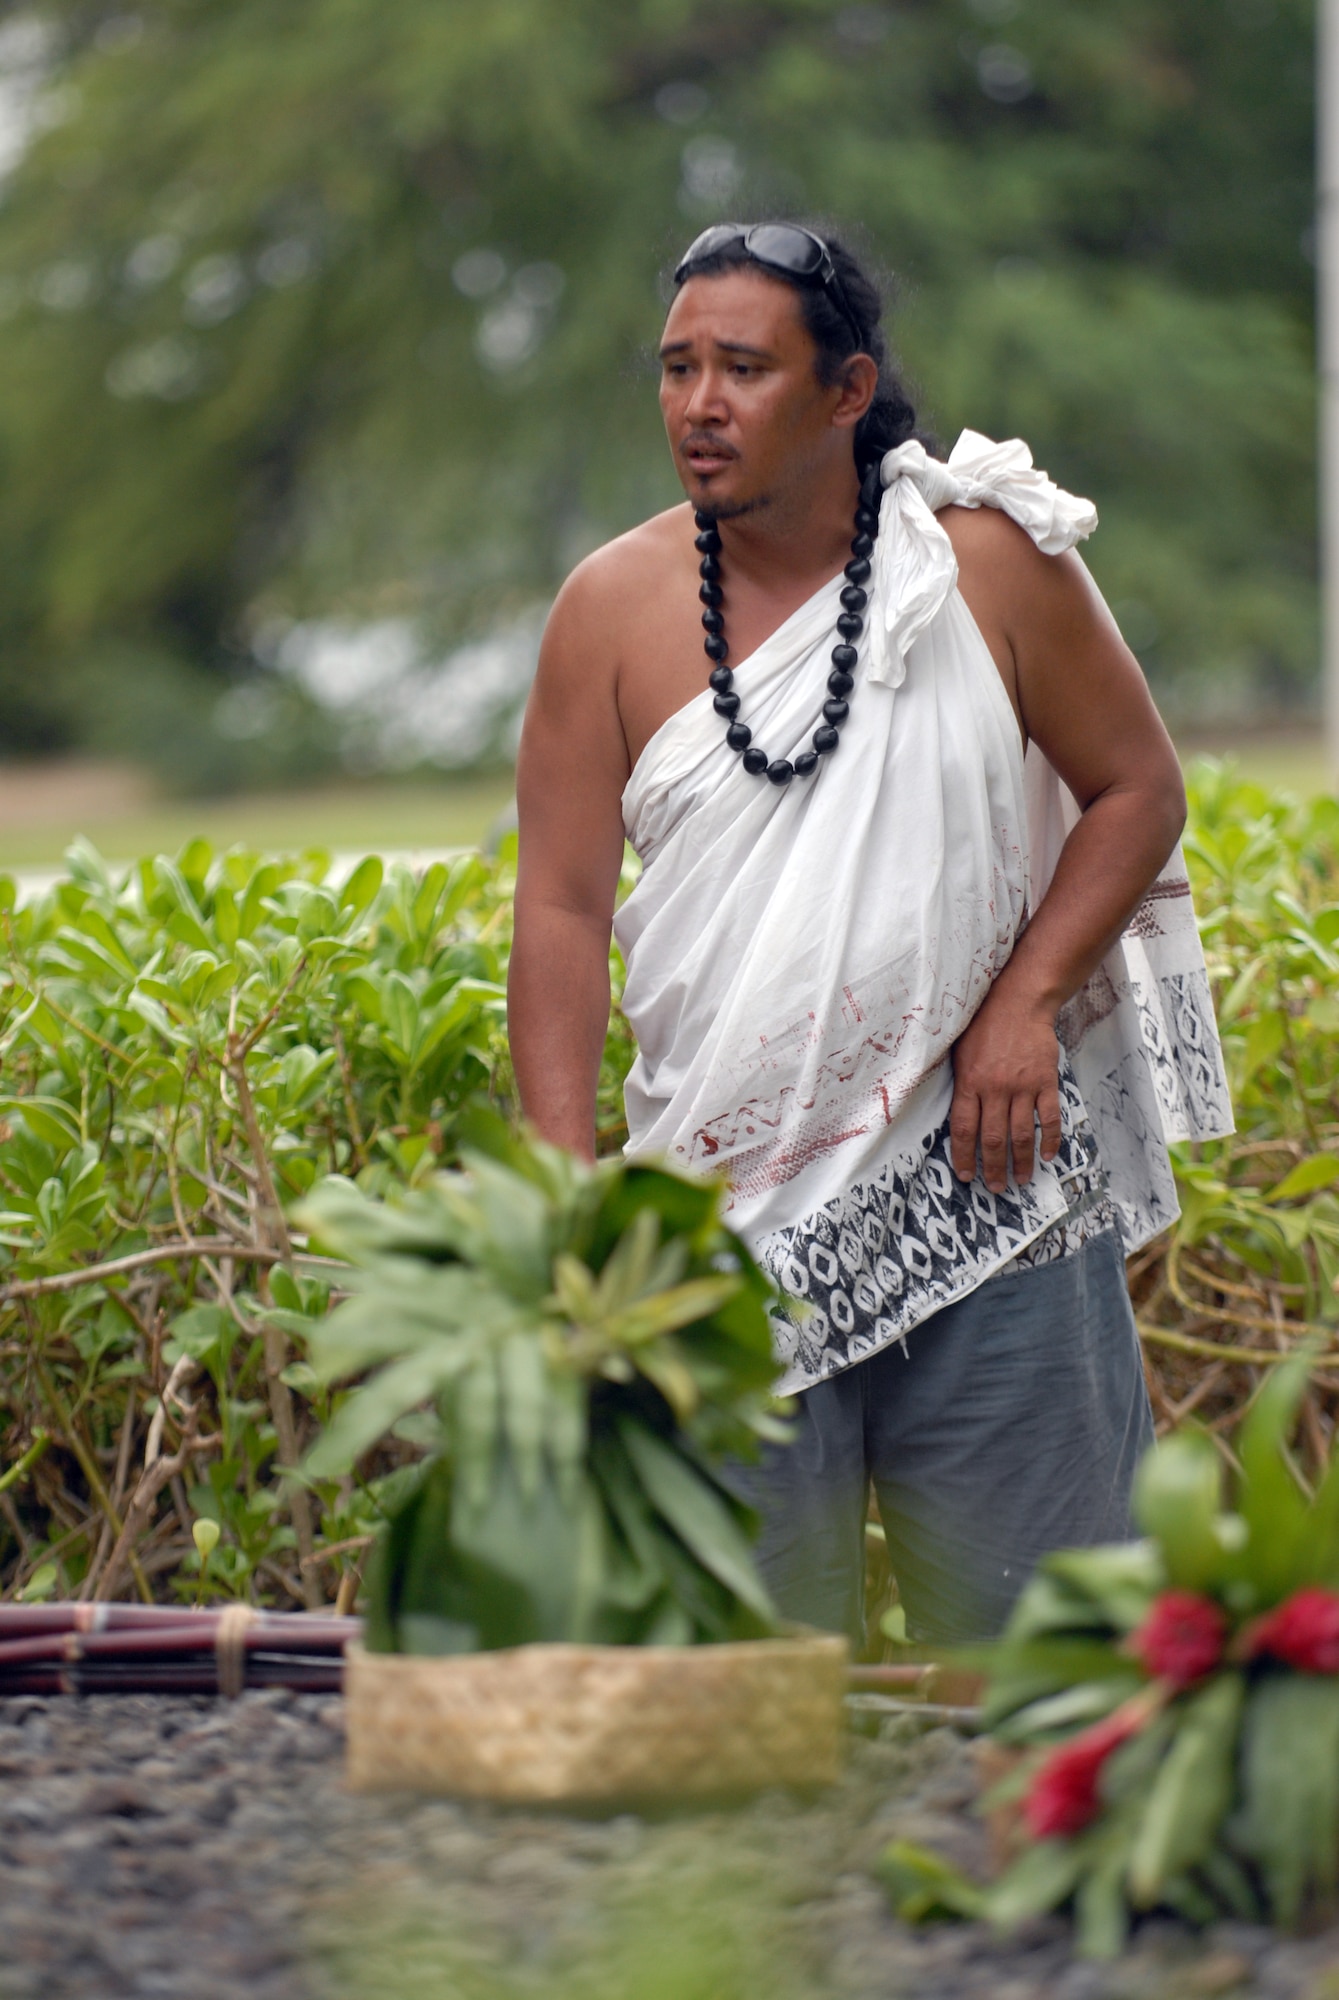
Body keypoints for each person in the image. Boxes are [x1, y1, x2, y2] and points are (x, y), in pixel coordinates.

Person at [507, 222, 1232, 1644]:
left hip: (991, 1196)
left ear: (846, 392)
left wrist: (1027, 1005)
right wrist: (562, 1190)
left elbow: (1139, 790)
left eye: (741, 369)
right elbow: (561, 907)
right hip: (714, 1235)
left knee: (1044, 1675)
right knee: (739, 1720)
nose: (698, 405)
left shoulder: (984, 565)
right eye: (675, 370)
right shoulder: (608, 610)